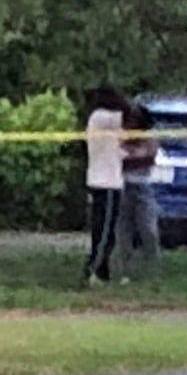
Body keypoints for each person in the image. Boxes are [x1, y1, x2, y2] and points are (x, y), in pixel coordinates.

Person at [83, 87, 130, 285]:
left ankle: (103, 272)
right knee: (103, 231)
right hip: (106, 183)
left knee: (107, 231)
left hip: (108, 181)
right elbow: (129, 113)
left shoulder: (109, 128)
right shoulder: (101, 117)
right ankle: (92, 270)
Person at [115, 103, 161, 279]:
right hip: (122, 186)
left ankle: (152, 265)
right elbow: (118, 155)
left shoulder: (149, 137)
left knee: (148, 228)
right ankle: (125, 267)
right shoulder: (120, 135)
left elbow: (147, 156)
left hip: (143, 186)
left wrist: (128, 153)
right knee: (123, 229)